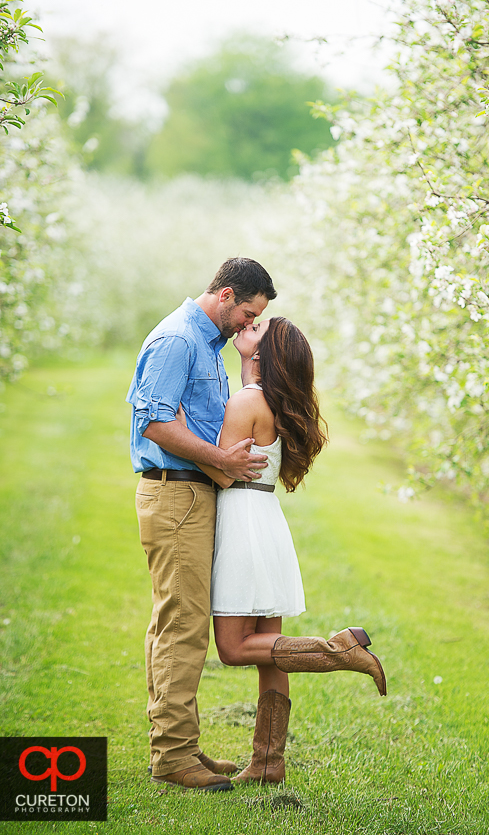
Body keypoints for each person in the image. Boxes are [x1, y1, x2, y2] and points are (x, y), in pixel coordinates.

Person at [190, 316, 387, 785]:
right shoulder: (273, 401)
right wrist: (249, 361)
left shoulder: (246, 401)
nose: (249, 326)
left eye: (260, 328)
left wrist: (177, 430)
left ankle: (336, 649)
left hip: (241, 522)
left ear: (266, 355)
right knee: (269, 652)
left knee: (235, 649)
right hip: (266, 520)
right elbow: (249, 422)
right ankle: (268, 762)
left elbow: (221, 471)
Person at [126, 258, 277, 793]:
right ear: (227, 293)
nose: (248, 324)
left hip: (190, 493)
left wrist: (247, 360)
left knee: (175, 623)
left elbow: (214, 418)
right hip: (176, 493)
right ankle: (171, 756)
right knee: (183, 626)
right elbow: (157, 423)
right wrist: (227, 463)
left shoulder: (207, 345)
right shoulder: (177, 340)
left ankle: (179, 744)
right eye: (248, 314)